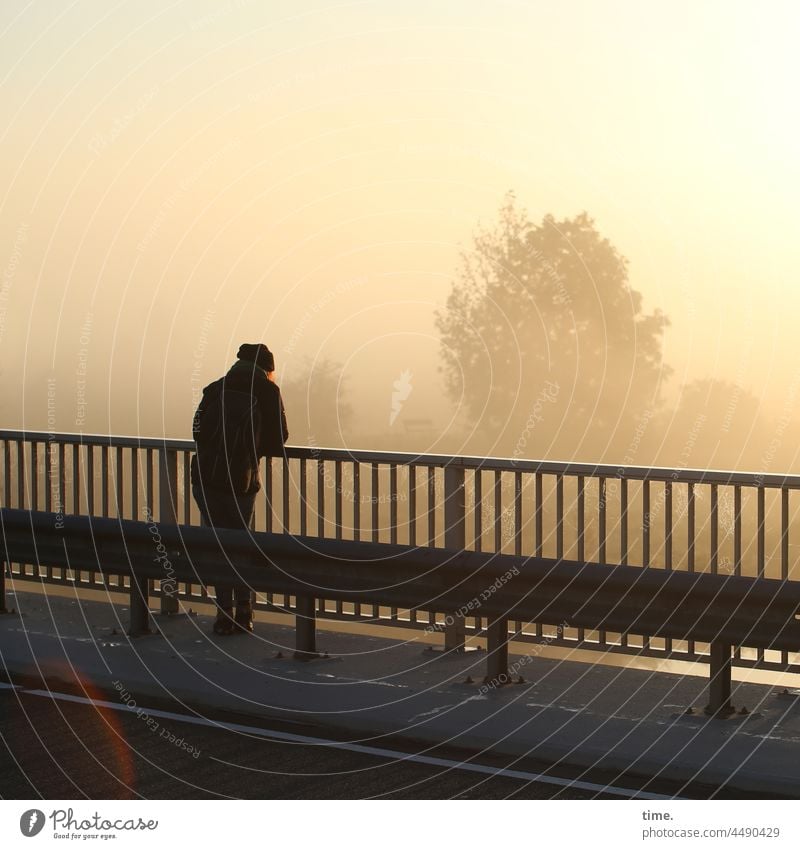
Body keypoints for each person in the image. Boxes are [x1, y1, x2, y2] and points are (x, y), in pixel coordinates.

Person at [190, 343, 288, 635]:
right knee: (240, 546)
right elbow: (279, 438)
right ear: (267, 369)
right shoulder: (267, 391)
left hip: (205, 478)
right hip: (241, 481)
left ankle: (223, 615)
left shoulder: (216, 387)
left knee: (219, 546)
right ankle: (244, 612)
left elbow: (196, 428)